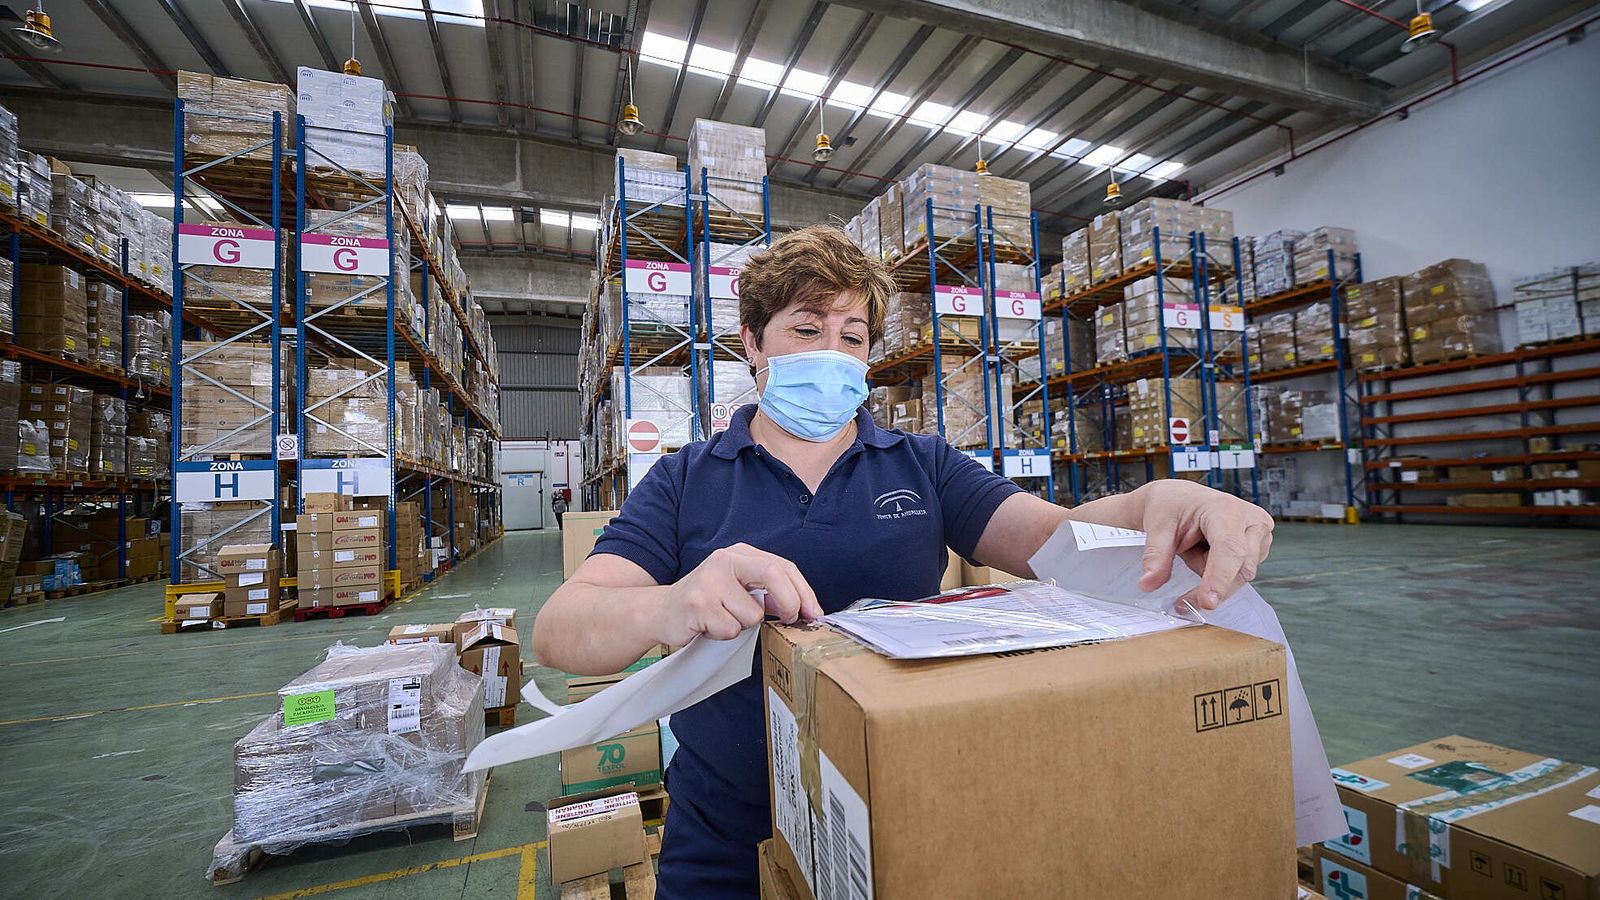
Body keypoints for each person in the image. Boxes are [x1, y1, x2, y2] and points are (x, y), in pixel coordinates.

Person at [533, 225, 1274, 897]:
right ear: (753, 343)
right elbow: (562, 629)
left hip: (903, 813)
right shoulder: (685, 479)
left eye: (852, 336)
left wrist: (1156, 504)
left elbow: (1055, 536)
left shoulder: (923, 466)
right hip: (725, 835)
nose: (832, 353)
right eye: (806, 328)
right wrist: (671, 602)